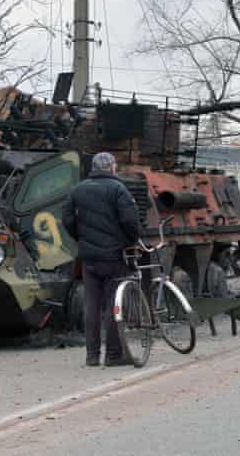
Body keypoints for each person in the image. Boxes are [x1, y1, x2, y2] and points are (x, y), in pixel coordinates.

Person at [63, 152, 140, 367]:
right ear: (112, 167)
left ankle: (92, 355)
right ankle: (114, 355)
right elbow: (130, 221)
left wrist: (81, 238)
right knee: (113, 305)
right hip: (114, 256)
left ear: (94, 168)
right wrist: (130, 240)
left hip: (88, 257)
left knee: (92, 304)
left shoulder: (77, 189)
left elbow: (67, 219)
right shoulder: (118, 189)